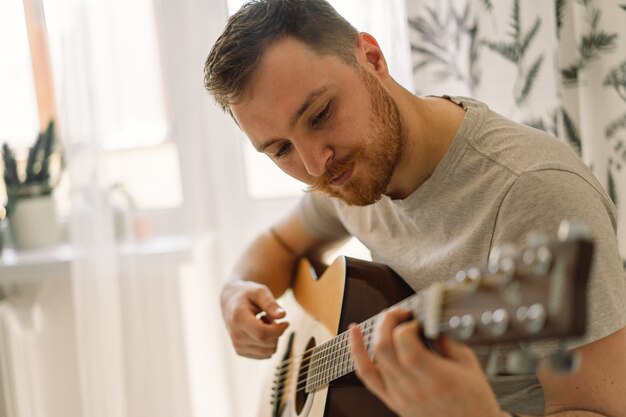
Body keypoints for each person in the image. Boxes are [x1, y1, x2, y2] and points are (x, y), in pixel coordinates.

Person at [204, 0, 626, 416]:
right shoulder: (351, 178)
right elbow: (278, 243)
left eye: (320, 114)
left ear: (371, 58)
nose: (314, 163)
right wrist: (235, 290)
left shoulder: (534, 196)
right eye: (280, 149)